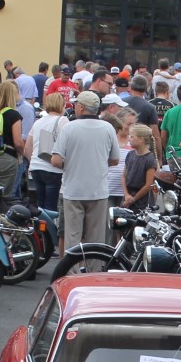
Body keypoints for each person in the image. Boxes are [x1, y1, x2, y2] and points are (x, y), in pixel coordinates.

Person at [52, 90, 123, 256]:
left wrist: (71, 163)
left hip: (73, 190)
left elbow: (56, 160)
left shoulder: (69, 127)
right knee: (96, 239)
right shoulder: (108, 128)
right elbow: (114, 160)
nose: (75, 107)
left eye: (76, 104)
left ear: (82, 107)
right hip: (98, 191)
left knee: (72, 237)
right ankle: (95, 273)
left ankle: (71, 272)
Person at [28, 91, 66, 217]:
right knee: (51, 206)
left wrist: (34, 160)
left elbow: (27, 147)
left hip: (35, 167)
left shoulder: (38, 122)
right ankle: (49, 234)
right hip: (52, 169)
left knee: (41, 205)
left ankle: (39, 232)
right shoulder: (63, 121)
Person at [121, 122, 158, 210]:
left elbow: (149, 184)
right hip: (128, 197)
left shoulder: (149, 159)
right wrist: (126, 195)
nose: (129, 139)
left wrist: (133, 199)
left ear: (141, 139)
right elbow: (123, 176)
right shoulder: (130, 154)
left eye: (132, 136)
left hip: (142, 201)